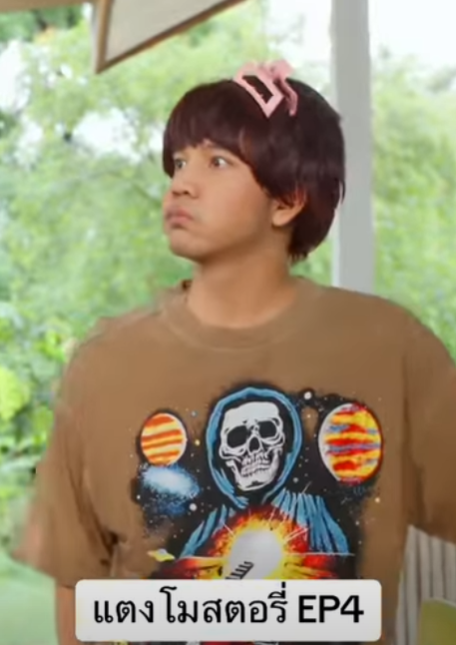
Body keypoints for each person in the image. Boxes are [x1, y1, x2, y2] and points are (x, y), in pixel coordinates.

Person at [13, 59, 456, 645]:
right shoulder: (103, 363)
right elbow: (76, 579)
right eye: (179, 162)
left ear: (287, 200)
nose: (181, 183)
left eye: (217, 162)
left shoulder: (392, 349)